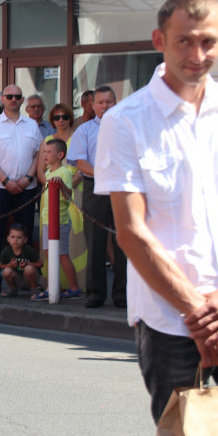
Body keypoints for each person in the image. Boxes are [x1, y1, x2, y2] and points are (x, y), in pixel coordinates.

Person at [97, 0, 218, 423]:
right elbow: (132, 232)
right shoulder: (126, 121)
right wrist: (199, 313)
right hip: (171, 322)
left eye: (208, 41)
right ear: (159, 40)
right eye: (185, 41)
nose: (197, 54)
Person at [0, 84, 43, 295]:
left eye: (17, 96)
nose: (13, 99)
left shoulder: (32, 125)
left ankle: (26, 279)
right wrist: (6, 180)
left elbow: (38, 155)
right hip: (0, 187)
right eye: (9, 96)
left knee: (24, 234)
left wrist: (28, 177)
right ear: (2, 100)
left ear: (22, 100)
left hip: (27, 187)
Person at [67, 84, 127, 309]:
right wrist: (105, 173)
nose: (104, 106)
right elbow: (80, 163)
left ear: (115, 103)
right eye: (100, 103)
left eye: (108, 102)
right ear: (93, 106)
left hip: (122, 189)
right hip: (95, 187)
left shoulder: (126, 127)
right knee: (96, 243)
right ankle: (95, 294)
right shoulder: (84, 130)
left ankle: (122, 295)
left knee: (124, 242)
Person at [32, 139, 81, 301]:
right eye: (44, 152)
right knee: (48, 254)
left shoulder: (64, 172)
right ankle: (54, 285)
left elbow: (68, 196)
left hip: (59, 220)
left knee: (62, 255)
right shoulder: (48, 173)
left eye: (49, 152)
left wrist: (61, 185)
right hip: (47, 219)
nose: (45, 155)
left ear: (60, 155)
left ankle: (74, 288)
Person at [0, 223, 42, 297]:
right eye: (13, 237)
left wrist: (28, 264)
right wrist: (10, 265)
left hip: (30, 278)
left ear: (25, 240)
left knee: (29, 269)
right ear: (8, 239)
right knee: (6, 271)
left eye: (19, 237)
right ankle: (13, 289)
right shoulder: (6, 251)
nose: (15, 240)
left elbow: (40, 264)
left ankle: (34, 289)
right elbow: (1, 265)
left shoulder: (29, 250)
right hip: (17, 278)